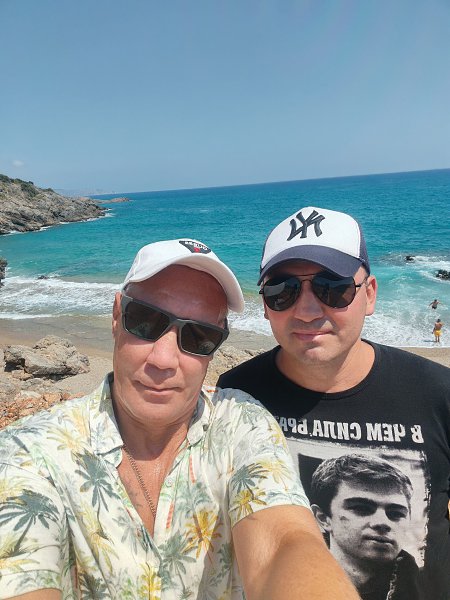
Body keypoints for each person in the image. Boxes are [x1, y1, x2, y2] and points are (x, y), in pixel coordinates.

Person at [0, 238, 359, 600]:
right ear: (116, 315)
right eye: (145, 321)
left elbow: (285, 543)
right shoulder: (31, 452)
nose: (163, 360)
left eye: (199, 336)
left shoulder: (241, 426)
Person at [218, 207, 450, 600]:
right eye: (282, 291)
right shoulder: (238, 394)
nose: (307, 311)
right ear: (265, 305)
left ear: (369, 294)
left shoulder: (438, 393)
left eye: (333, 287)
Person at [310, 454, 420, 600]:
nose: (382, 522)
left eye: (395, 513)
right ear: (323, 518)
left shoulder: (431, 589)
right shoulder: (288, 582)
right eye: (362, 508)